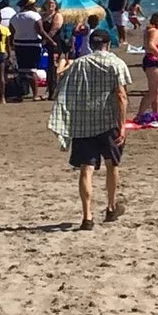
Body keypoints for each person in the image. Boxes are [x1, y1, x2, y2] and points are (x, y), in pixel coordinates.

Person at [52, 25, 131, 228]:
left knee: (86, 169)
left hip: (83, 123)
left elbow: (65, 90)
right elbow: (121, 96)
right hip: (108, 121)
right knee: (112, 164)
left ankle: (87, 216)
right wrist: (122, 125)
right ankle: (111, 206)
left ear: (90, 44)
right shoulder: (116, 63)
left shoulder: (79, 63)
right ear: (108, 44)